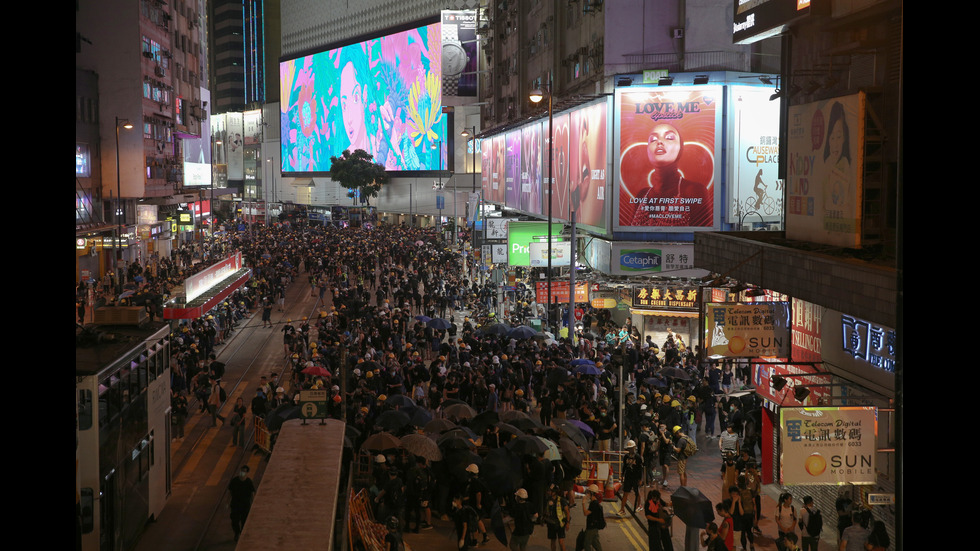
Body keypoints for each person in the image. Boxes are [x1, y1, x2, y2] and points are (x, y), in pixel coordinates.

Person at [624, 122, 711, 227]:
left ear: (680, 147)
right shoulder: (642, 195)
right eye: (653, 139)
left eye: (669, 137)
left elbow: (703, 235)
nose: (659, 142)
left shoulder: (694, 192)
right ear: (647, 149)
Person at [228, 465, 256, 542]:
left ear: (247, 473)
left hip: (245, 505)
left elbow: (252, 493)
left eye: (244, 471)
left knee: (244, 521)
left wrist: (253, 503)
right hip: (235, 504)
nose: (242, 472)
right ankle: (237, 533)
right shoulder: (235, 480)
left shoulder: (248, 482)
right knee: (235, 520)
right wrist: (228, 502)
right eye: (241, 470)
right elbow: (230, 491)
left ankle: (242, 534)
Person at [618, 440, 643, 516]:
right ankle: (622, 509)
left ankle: (639, 505)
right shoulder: (626, 457)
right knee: (625, 493)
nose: (630, 449)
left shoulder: (638, 457)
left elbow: (640, 469)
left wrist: (640, 479)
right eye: (629, 448)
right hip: (628, 477)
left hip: (635, 478)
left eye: (631, 448)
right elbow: (624, 467)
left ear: (634, 448)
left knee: (637, 492)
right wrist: (622, 475)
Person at [544, 484, 571, 551]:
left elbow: (567, 512)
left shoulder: (562, 500)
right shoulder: (548, 500)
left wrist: (567, 523)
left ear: (554, 492)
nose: (548, 492)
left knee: (561, 542)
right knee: (553, 541)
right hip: (551, 524)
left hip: (560, 524)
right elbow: (546, 511)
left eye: (550, 491)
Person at [582, 484, 605, 551]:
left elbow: (585, 513)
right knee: (595, 543)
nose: (587, 494)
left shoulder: (594, 503)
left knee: (586, 544)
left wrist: (583, 503)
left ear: (592, 493)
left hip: (592, 527)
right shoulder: (594, 502)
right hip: (594, 527)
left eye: (589, 492)